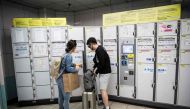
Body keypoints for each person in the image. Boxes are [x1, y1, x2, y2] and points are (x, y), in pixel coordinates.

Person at [87, 37, 111, 109]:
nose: (89, 47)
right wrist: (94, 68)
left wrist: (96, 71)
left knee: (103, 90)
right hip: (104, 72)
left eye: (89, 46)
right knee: (103, 90)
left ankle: (107, 107)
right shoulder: (98, 50)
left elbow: (102, 64)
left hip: (105, 73)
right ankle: (105, 105)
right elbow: (97, 61)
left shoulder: (100, 50)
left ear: (92, 44)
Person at [56, 40, 80, 109]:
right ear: (73, 47)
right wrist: (77, 68)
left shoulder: (64, 54)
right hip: (64, 79)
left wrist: (74, 64)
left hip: (59, 78)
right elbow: (68, 69)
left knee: (61, 97)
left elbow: (65, 64)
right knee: (66, 98)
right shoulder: (69, 56)